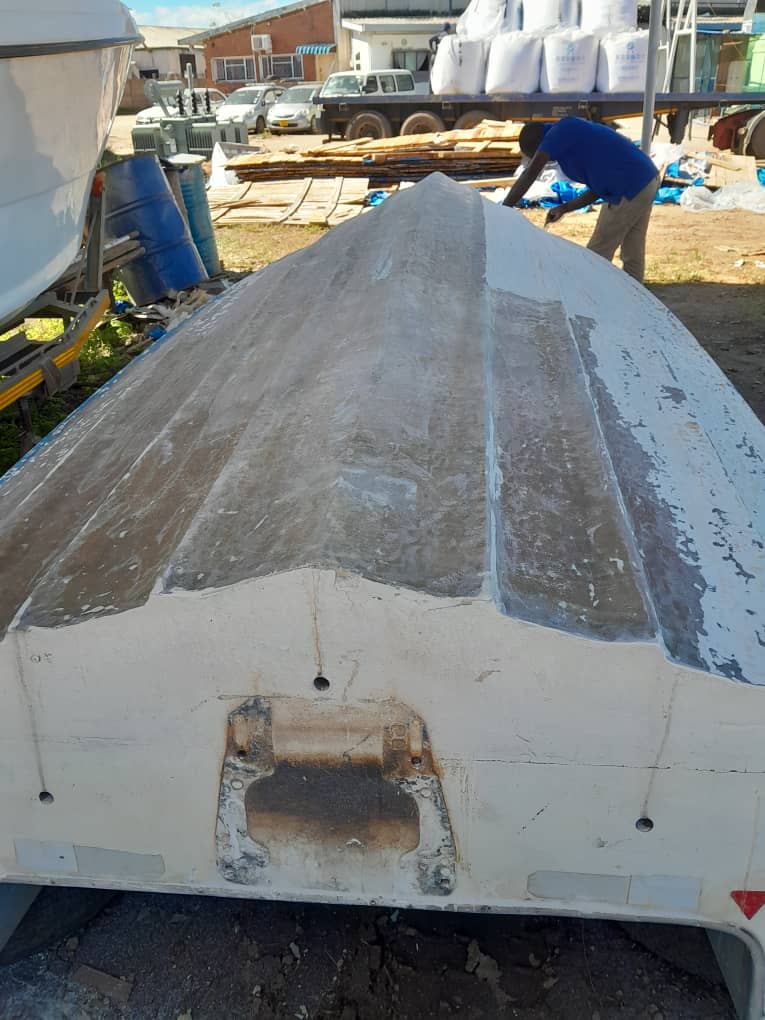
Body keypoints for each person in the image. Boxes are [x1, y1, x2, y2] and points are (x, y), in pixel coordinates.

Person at [502, 118, 659, 283]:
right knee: (633, 250)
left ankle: (588, 293)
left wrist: (503, 209)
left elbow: (530, 174)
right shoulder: (571, 136)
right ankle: (635, 294)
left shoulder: (558, 134)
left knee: (598, 252)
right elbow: (597, 189)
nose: (545, 160)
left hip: (629, 186)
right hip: (646, 179)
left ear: (539, 145)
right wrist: (564, 208)